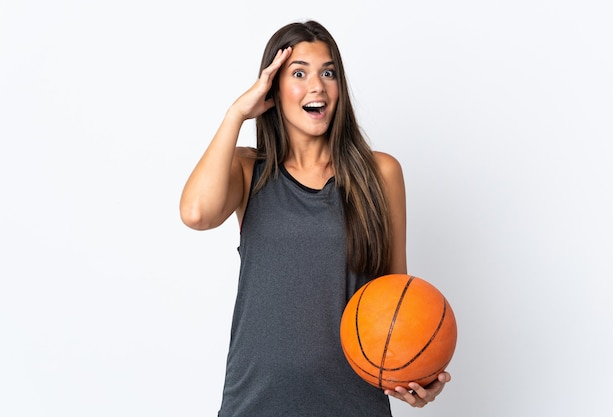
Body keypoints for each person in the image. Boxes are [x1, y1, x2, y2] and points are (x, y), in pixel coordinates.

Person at [180, 20, 450, 416]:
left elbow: (397, 298)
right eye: (299, 73)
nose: (317, 86)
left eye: (328, 72)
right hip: (255, 402)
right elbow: (196, 214)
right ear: (272, 87)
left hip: (353, 403)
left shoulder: (381, 174)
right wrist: (237, 112)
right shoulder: (247, 170)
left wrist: (417, 372)